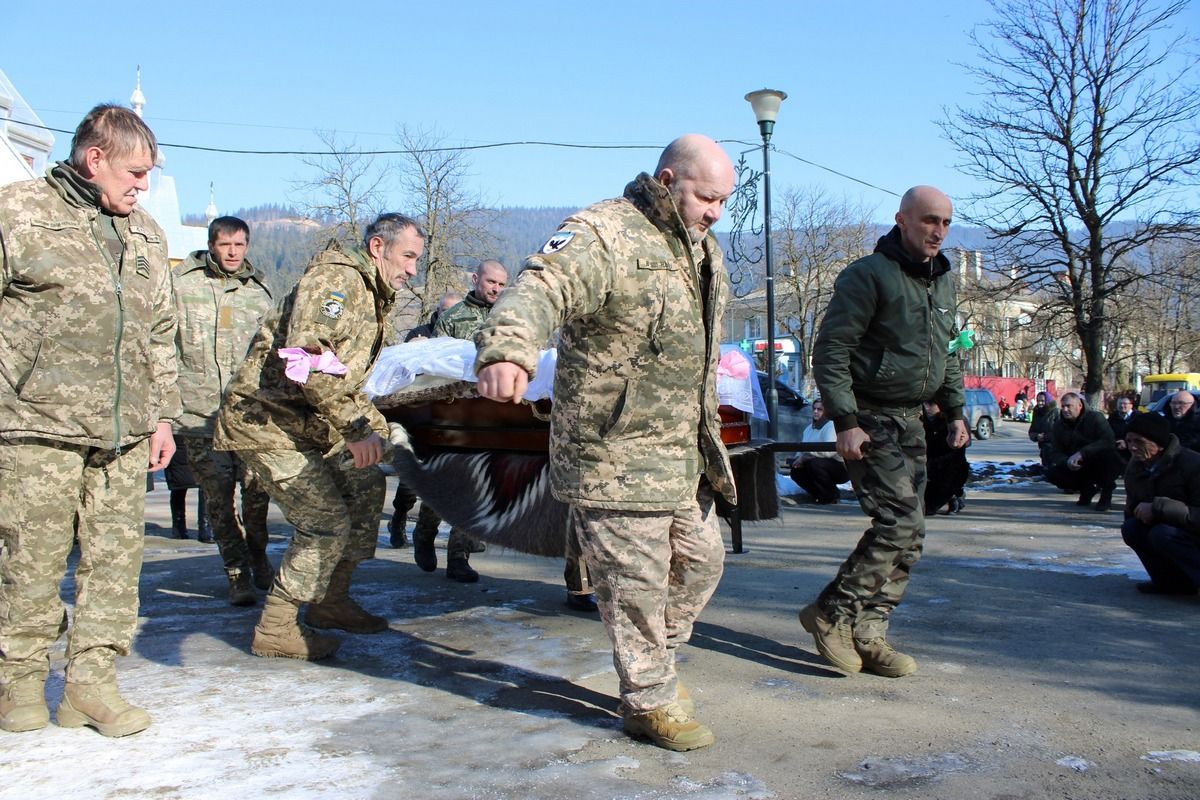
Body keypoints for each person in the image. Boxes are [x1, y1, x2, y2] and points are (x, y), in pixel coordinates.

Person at [475, 134, 737, 751]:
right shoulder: (603, 234)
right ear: (668, 180)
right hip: (611, 451)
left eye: (724, 202)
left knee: (703, 563)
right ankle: (647, 698)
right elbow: (541, 285)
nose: (715, 213)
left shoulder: (703, 251)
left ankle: (653, 664)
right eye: (706, 197)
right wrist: (509, 348)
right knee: (634, 583)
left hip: (679, 452)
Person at [0, 105, 178, 737]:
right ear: (94, 158)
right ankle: (18, 684)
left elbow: (162, 329)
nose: (143, 186)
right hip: (34, 426)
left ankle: (90, 688)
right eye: (134, 172)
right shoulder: (17, 213)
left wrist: (161, 416)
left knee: (114, 566)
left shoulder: (148, 233)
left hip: (123, 434)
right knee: (30, 562)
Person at [215, 214, 424, 660]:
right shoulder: (336, 281)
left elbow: (345, 380)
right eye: (407, 257)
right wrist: (356, 428)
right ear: (377, 248)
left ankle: (329, 600)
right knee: (325, 522)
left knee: (366, 487)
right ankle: (276, 625)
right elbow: (304, 361)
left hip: (307, 422)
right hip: (266, 421)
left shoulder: (371, 294)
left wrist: (385, 432)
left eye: (416, 260)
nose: (411, 270)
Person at [798, 185, 968, 680]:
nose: (938, 232)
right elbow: (831, 350)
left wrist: (954, 410)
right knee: (896, 522)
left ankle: (870, 634)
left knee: (911, 534)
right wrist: (845, 421)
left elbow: (949, 351)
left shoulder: (943, 282)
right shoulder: (868, 276)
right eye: (929, 221)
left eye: (946, 223)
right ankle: (832, 613)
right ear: (902, 220)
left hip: (914, 417)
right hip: (870, 416)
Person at [173, 216, 275, 605]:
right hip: (200, 416)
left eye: (239, 245)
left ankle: (258, 557)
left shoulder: (260, 292)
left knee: (257, 498)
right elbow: (162, 343)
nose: (232, 253)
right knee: (218, 501)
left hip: (249, 416)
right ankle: (236, 573)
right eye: (224, 245)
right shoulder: (182, 285)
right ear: (211, 245)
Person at [411, 260, 512, 582]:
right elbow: (434, 367)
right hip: (453, 415)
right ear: (475, 279)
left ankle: (458, 558)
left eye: (501, 284)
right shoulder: (453, 319)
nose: (496, 288)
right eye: (491, 282)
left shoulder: (505, 321)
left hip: (489, 417)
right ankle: (424, 534)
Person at [386, 290, 462, 549]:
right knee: (411, 481)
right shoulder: (420, 335)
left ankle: (447, 545)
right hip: (419, 417)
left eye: (453, 311)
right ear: (438, 311)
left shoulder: (459, 340)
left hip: (449, 419)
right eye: (445, 310)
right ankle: (399, 517)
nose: (448, 315)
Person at [1119, 413, 1200, 595]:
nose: (1132, 447)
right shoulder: (1136, 465)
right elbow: (1132, 505)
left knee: (1163, 534)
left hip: (1191, 531)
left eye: (1139, 441)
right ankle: (1170, 582)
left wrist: (1158, 507)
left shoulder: (1192, 465)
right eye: (1129, 441)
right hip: (1168, 527)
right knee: (1132, 529)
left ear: (1159, 444)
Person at [1043, 392, 1123, 511]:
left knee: (1108, 457)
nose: (1065, 410)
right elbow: (1055, 451)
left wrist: (1082, 453)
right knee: (1052, 473)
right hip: (1076, 463)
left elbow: (1108, 440)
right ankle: (1087, 490)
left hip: (1098, 460)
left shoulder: (1095, 418)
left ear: (1079, 405)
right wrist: (1066, 461)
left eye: (1069, 406)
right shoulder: (1059, 425)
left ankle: (1106, 494)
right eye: (1063, 406)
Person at [787, 399, 847, 505]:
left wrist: (805, 457)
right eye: (814, 409)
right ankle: (818, 495)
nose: (815, 411)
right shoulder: (808, 429)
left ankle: (831, 495)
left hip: (840, 467)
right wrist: (797, 459)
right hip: (816, 463)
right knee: (796, 472)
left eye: (819, 409)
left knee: (815, 464)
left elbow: (828, 451)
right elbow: (803, 448)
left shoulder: (831, 426)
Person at [923, 400, 970, 514]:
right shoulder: (921, 421)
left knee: (930, 507)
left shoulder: (955, 421)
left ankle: (955, 494)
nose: (928, 408)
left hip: (948, 468)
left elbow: (964, 446)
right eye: (926, 405)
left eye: (931, 405)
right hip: (927, 467)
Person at [1028, 391, 1059, 469]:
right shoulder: (1037, 413)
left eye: (1042, 401)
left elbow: (1061, 432)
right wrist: (1036, 436)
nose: (1040, 403)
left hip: (1056, 449)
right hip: (1043, 449)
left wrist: (1045, 437)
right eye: (1038, 401)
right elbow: (1032, 431)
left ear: (1048, 401)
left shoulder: (1056, 412)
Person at [1108, 395, 1138, 463]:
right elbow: (1108, 432)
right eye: (1119, 403)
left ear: (1131, 405)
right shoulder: (1112, 417)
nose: (1122, 406)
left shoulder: (1138, 417)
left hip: (1134, 451)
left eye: (1125, 403)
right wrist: (1117, 441)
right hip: (1117, 450)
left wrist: (1126, 442)